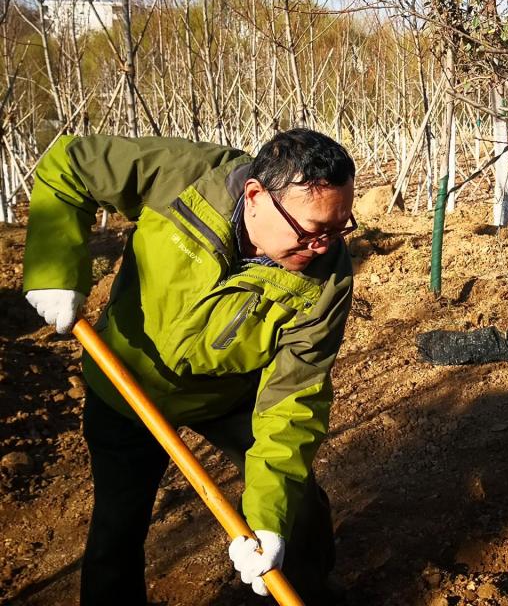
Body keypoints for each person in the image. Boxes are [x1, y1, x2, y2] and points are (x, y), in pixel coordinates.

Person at [22, 129, 357, 604]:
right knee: (117, 530)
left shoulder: (327, 278)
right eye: (310, 230)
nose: (323, 246)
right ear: (255, 196)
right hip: (125, 383)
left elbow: (294, 397)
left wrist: (267, 520)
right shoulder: (182, 177)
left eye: (339, 227)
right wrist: (53, 267)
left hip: (228, 393)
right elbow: (70, 163)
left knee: (296, 512)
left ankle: (310, 591)